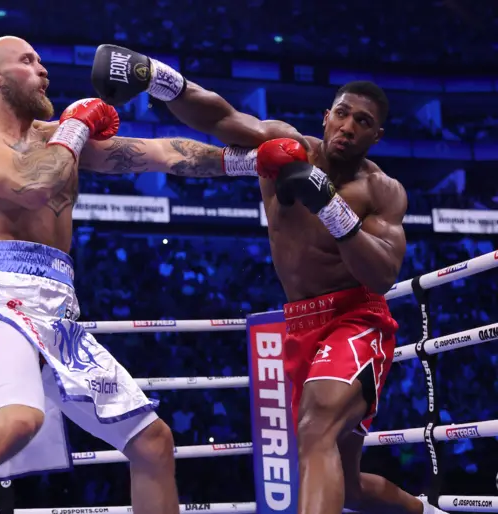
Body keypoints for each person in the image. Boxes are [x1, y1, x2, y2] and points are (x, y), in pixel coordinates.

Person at [0, 35, 288, 514]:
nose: (43, 69)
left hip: (58, 306)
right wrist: (77, 126)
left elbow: (161, 153)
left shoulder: (57, 138)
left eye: (41, 59)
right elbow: (31, 185)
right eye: (27, 61)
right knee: (18, 420)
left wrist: (248, 162)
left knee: (152, 442)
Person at [91, 45, 449, 514]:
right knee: (349, 484)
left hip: (355, 319)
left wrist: (329, 206)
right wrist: (158, 77)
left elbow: (382, 274)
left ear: (376, 136)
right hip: (301, 323)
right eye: (343, 114)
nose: (348, 126)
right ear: (326, 117)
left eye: (363, 122)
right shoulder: (284, 146)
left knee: (315, 429)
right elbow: (219, 119)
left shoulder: (382, 191)